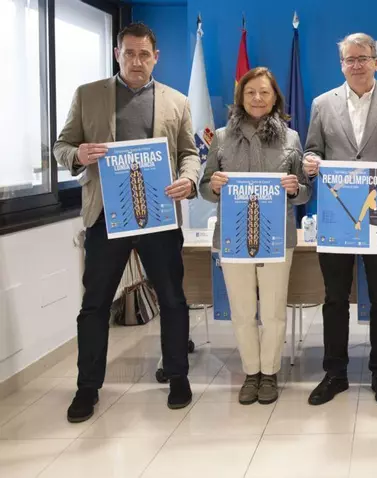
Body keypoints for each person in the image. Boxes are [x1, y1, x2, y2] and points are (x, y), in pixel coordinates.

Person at [53, 22, 200, 422]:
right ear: (117, 54)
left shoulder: (177, 101)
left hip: (159, 216)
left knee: (172, 299)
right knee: (95, 304)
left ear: (156, 57)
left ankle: (178, 376)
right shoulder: (88, 95)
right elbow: (62, 146)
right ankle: (87, 387)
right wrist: (78, 154)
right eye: (129, 53)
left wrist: (189, 179)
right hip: (106, 216)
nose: (137, 61)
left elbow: (189, 153)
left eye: (144, 54)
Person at [302, 32, 377, 407]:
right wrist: (310, 163)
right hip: (336, 216)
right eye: (349, 59)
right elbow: (312, 150)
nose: (356, 65)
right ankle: (335, 374)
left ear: (376, 61)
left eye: (363, 58)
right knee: (335, 298)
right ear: (341, 65)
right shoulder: (322, 103)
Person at [199, 67, 311, 405]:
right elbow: (204, 187)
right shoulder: (221, 138)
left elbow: (306, 191)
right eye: (250, 92)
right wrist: (213, 186)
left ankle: (270, 372)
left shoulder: (291, 138)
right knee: (243, 310)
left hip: (277, 238)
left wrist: (295, 189)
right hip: (233, 237)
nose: (258, 98)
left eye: (264, 92)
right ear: (240, 97)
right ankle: (251, 372)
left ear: (275, 97)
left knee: (274, 310)